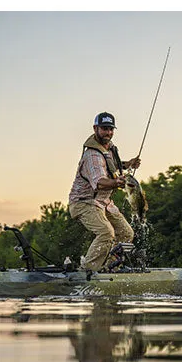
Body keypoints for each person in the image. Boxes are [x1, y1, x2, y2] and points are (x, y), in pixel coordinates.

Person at [68, 112, 141, 272]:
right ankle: (88, 271)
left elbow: (110, 166)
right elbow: (100, 182)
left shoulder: (108, 149)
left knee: (126, 233)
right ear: (95, 129)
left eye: (110, 129)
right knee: (106, 232)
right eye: (104, 129)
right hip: (84, 202)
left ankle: (109, 268)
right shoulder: (92, 155)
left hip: (103, 203)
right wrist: (116, 182)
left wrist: (128, 164)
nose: (108, 132)